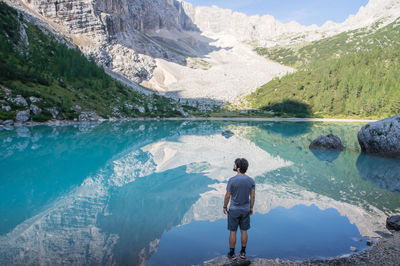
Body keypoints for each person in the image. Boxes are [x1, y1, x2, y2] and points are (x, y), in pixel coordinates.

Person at [223, 158, 255, 260]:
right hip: (245, 209)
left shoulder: (232, 180)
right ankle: (243, 253)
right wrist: (251, 208)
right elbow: (252, 196)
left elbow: (228, 196)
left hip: (234, 210)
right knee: (244, 231)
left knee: (233, 231)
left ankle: (232, 254)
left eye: (235, 165)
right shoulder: (251, 181)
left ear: (238, 168)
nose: (234, 165)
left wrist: (224, 206)